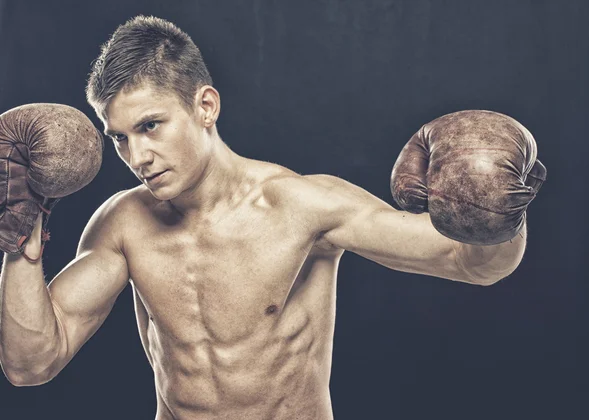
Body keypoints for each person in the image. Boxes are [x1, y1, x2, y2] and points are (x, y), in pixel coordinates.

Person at [0, 16, 544, 420]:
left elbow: (473, 264)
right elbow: (32, 364)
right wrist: (20, 238)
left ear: (205, 107)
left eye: (150, 126)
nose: (136, 156)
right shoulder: (123, 223)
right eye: (119, 137)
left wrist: (497, 210)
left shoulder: (303, 206)